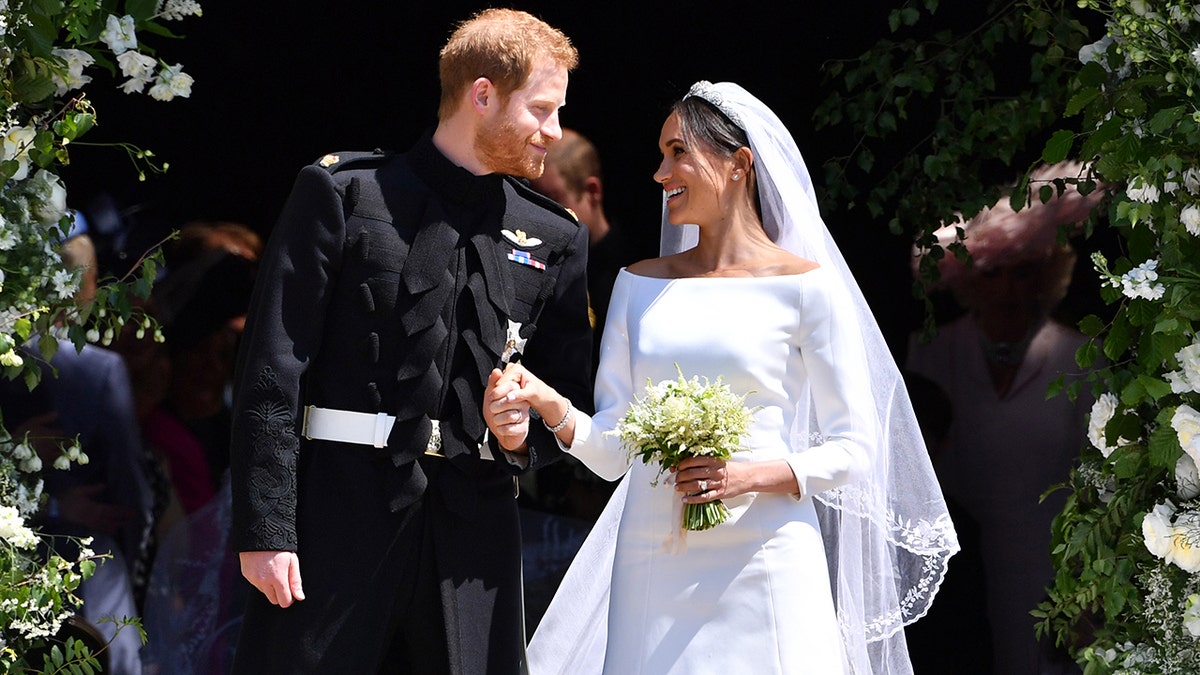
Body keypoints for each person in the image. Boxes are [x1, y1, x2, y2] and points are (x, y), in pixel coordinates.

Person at [484, 81, 958, 674]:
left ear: (739, 165)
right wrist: (550, 404)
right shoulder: (636, 285)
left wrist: (748, 475)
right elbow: (613, 452)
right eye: (662, 154)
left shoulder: (807, 289)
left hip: (767, 555)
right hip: (652, 559)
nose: (661, 173)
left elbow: (857, 448)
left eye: (679, 152)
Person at [228, 8, 591, 674]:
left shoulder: (557, 236)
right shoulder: (343, 191)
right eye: (542, 109)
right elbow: (273, 371)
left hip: (475, 538)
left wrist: (521, 435)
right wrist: (266, 528)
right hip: (335, 520)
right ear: (483, 95)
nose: (555, 131)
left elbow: (573, 391)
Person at [906, 161, 1100, 675]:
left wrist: (1095, 588)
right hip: (958, 575)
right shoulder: (929, 355)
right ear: (967, 277)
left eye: (1023, 272)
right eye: (993, 273)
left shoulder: (1084, 358)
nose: (1009, 289)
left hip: (1062, 570)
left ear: (1045, 274)